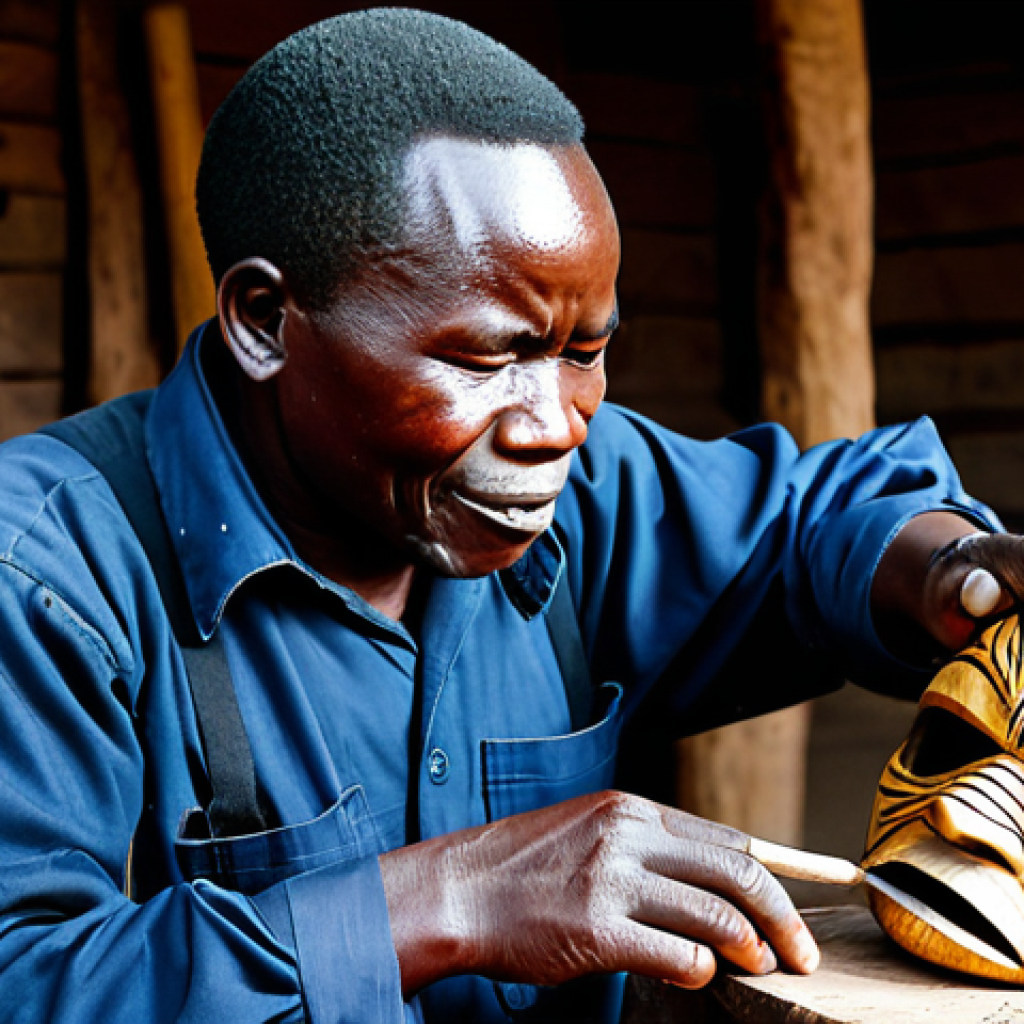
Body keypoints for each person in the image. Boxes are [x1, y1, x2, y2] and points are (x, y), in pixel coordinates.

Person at [0, 9, 1018, 1023]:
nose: (555, 426)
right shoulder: (46, 576)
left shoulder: (568, 491)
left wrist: (948, 572)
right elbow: (24, 981)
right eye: (487, 357)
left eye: (582, 353)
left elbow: (810, 523)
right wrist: (454, 898)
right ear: (267, 321)